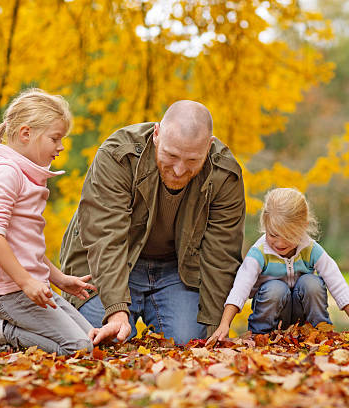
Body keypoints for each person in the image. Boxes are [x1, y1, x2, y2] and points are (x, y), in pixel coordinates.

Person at [59, 100, 246, 345]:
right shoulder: (118, 156)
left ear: (208, 147)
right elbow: (106, 238)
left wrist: (214, 331)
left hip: (178, 270)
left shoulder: (224, 174)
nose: (179, 170)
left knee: (188, 343)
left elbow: (220, 256)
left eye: (192, 160)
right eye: (171, 155)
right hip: (108, 263)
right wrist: (116, 311)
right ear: (157, 134)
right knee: (102, 341)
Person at [0, 88, 98, 355]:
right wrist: (27, 282)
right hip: (8, 293)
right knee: (79, 348)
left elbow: (27, 249)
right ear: (26, 133)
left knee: (92, 339)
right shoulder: (6, 173)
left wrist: (60, 279)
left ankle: (5, 331)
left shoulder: (25, 174)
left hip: (27, 288)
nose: (61, 147)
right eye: (55, 138)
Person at [208, 188, 349, 343]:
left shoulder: (311, 249)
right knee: (275, 289)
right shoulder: (258, 254)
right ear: (265, 225)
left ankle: (320, 332)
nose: (280, 242)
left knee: (311, 283)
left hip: (303, 318)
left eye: (288, 235)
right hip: (272, 312)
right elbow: (240, 289)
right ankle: (261, 335)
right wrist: (225, 324)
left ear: (303, 227)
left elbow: (338, 284)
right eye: (273, 234)